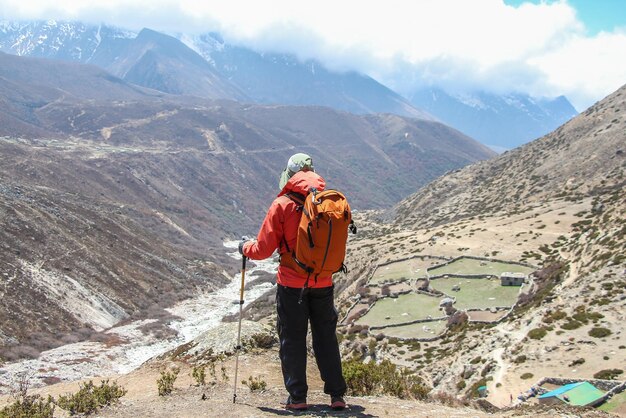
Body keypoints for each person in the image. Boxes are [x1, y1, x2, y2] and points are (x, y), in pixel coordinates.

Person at [239, 153, 347, 411]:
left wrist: (245, 248)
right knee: (326, 337)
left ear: (289, 175)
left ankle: (297, 398)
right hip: (323, 282)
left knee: (292, 338)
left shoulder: (283, 205)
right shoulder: (328, 202)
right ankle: (337, 395)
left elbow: (263, 249)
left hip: (291, 284)